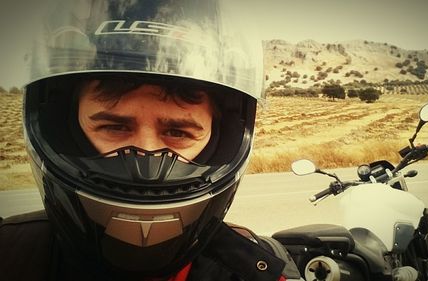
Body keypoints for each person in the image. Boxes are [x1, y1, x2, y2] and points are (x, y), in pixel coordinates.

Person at [0, 0, 296, 280]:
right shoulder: (12, 255)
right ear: (63, 130)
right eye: (114, 127)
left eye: (178, 132)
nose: (147, 159)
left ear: (223, 140)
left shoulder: (252, 272)